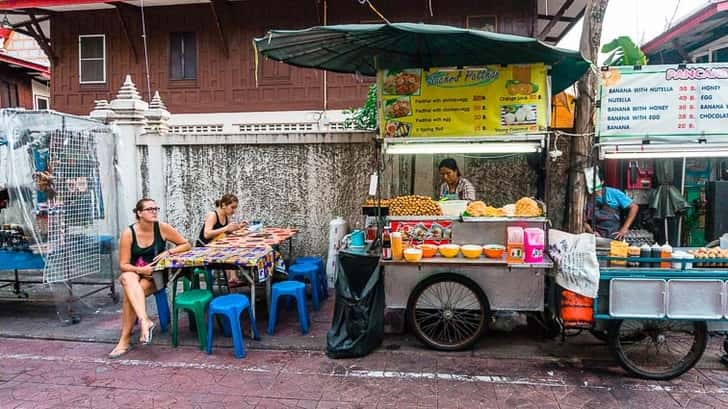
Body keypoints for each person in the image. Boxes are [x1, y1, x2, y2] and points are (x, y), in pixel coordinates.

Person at [109, 198, 191, 359]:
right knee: (127, 278)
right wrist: (141, 269)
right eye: (149, 209)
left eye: (156, 208)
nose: (154, 211)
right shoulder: (129, 233)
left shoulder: (162, 228)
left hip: (156, 276)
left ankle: (124, 340)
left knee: (129, 296)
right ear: (139, 213)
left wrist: (168, 252)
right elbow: (123, 265)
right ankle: (144, 321)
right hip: (135, 272)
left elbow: (185, 244)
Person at [197, 194, 246, 285]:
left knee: (234, 247)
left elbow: (226, 232)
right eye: (232, 207)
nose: (234, 211)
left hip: (215, 246)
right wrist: (226, 228)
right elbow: (206, 234)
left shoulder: (225, 216)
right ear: (223, 205)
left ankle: (232, 279)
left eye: (235, 208)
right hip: (204, 248)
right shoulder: (213, 215)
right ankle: (231, 280)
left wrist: (239, 227)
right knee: (230, 251)